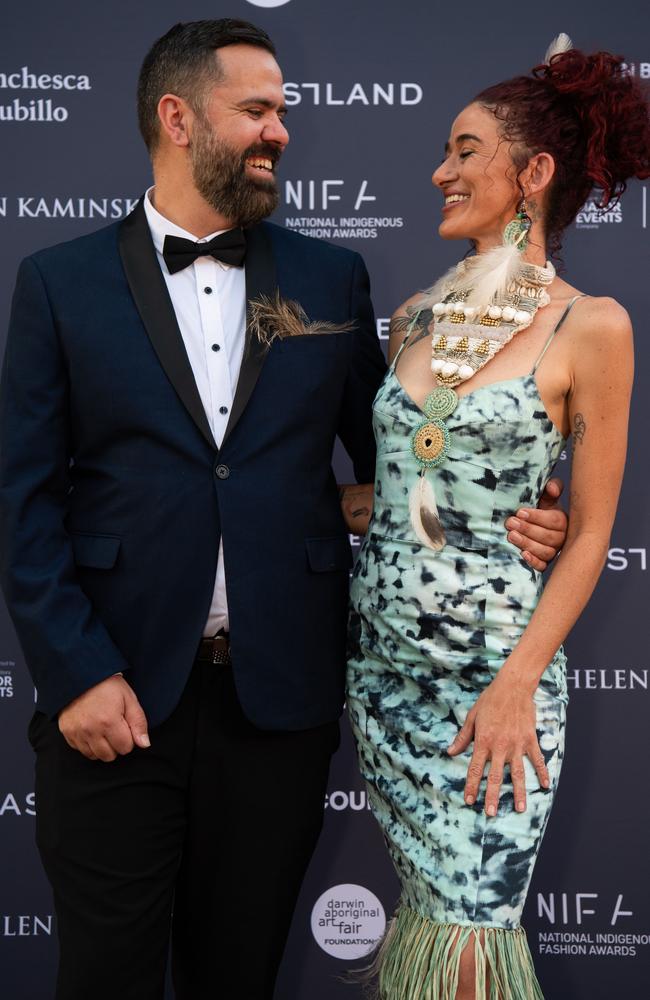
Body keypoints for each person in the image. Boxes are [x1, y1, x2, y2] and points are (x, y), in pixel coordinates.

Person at [0, 18, 566, 1000]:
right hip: (114, 700)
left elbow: (402, 459)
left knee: (239, 976)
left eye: (283, 112)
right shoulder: (58, 283)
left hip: (277, 710)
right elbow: (24, 499)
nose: (280, 131)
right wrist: (78, 672)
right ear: (178, 119)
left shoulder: (327, 277)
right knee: (104, 978)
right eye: (256, 110)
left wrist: (509, 502)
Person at [347, 35, 648, 1000]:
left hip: (495, 693)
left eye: (465, 149)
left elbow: (593, 529)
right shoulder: (412, 320)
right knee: (427, 941)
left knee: (471, 941)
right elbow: (394, 493)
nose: (441, 169)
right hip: (385, 678)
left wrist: (519, 684)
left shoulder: (589, 325)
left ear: (535, 172)